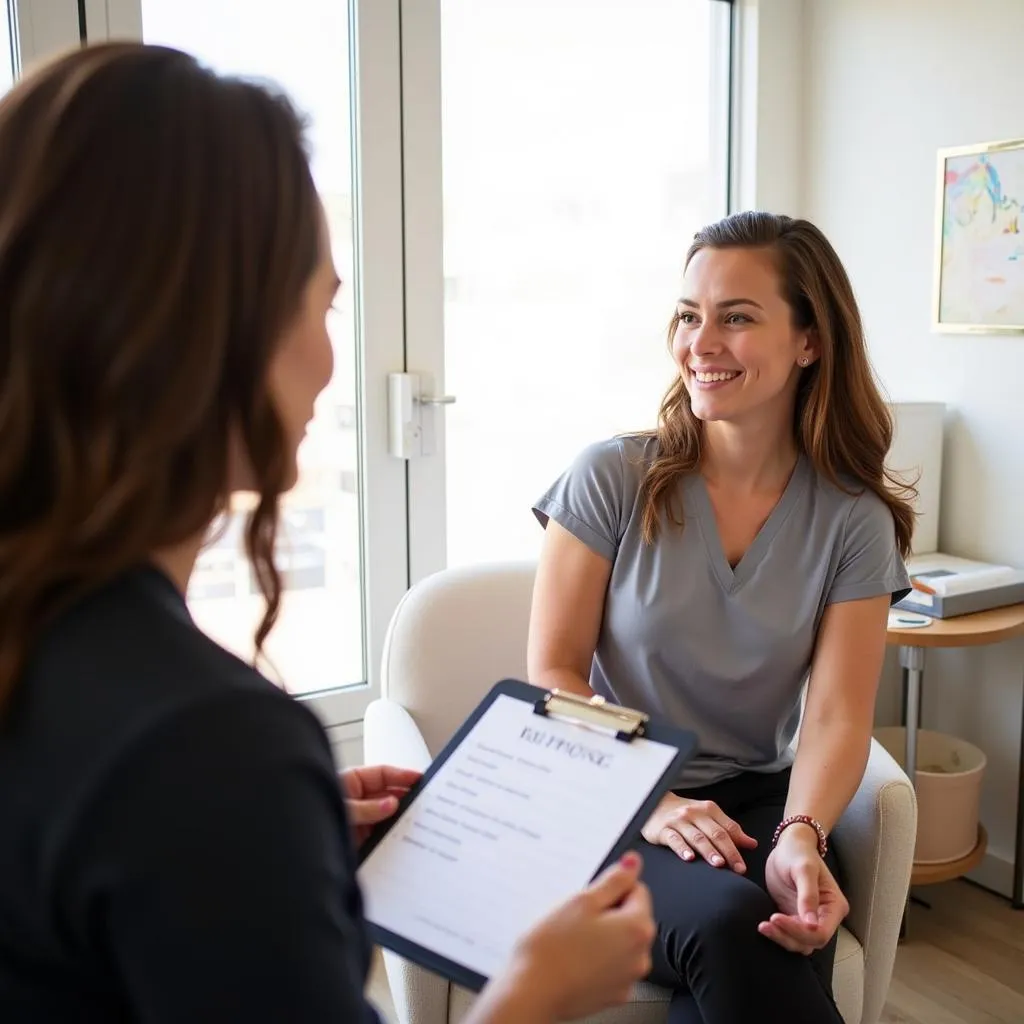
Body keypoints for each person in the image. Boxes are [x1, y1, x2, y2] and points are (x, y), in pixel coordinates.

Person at [0, 43, 657, 1024]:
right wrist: (529, 998)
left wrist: (269, 848)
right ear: (205, 336)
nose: (326, 362)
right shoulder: (207, 747)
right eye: (323, 305)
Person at [529, 211, 915, 1024]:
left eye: (736, 317)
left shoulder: (851, 520)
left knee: (765, 935)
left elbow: (840, 713)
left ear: (810, 340)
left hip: (757, 806)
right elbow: (554, 671)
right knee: (741, 927)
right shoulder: (611, 477)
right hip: (612, 797)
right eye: (688, 315)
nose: (701, 341)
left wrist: (801, 834)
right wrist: (654, 796)